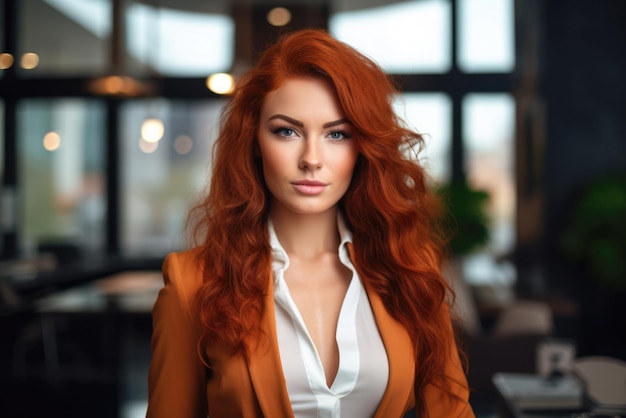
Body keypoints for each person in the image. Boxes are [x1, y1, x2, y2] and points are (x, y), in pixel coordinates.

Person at [147, 29, 474, 418]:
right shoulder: (192, 282)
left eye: (337, 134)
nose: (312, 158)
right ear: (253, 141)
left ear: (363, 147)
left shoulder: (408, 266)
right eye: (287, 131)